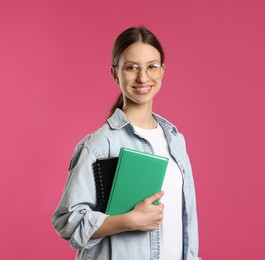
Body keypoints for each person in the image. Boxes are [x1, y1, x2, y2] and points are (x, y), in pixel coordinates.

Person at [52, 27, 201, 260]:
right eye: (132, 67)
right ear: (115, 73)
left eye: (152, 66)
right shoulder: (100, 144)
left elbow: (186, 220)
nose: (143, 77)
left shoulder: (175, 139)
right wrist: (127, 221)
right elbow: (67, 221)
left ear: (163, 70)